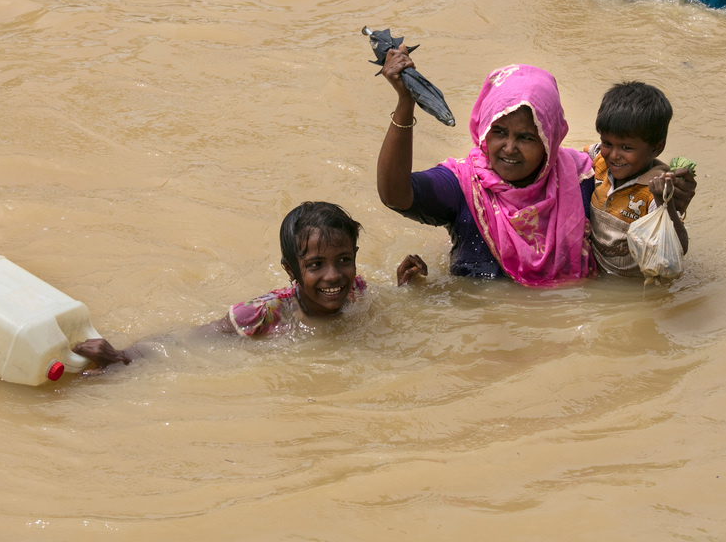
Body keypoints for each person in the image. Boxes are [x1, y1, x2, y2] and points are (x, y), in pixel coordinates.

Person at [71, 201, 427, 370]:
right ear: (291, 270)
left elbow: (383, 306)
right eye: (316, 265)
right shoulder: (262, 315)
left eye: (344, 260)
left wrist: (405, 289)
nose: (333, 275)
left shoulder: (355, 290)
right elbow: (185, 340)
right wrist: (121, 357)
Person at [378, 48, 602, 286]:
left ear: (550, 139)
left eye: (526, 137)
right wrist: (405, 102)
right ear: (483, 130)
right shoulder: (464, 186)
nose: (509, 148)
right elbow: (395, 195)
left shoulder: (582, 180)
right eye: (499, 132)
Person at [584, 82, 695, 276]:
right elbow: (570, 160)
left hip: (632, 284)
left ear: (656, 148)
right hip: (596, 272)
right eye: (607, 143)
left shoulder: (656, 190)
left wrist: (664, 203)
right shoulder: (598, 158)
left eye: (627, 148)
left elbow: (678, 250)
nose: (614, 155)